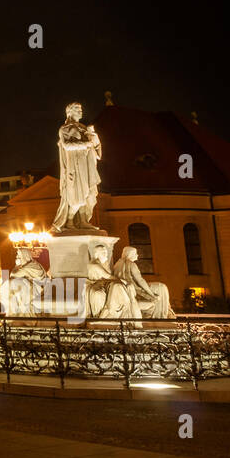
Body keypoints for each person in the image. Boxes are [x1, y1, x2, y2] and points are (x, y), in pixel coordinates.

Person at [53, 102, 102, 232]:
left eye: (81, 109)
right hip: (75, 165)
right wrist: (87, 143)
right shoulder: (65, 128)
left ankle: (83, 221)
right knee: (77, 193)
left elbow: (95, 147)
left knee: (88, 193)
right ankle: (69, 221)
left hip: (87, 164)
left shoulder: (83, 128)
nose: (80, 112)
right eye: (77, 109)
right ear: (69, 112)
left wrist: (94, 138)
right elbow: (67, 146)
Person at [114, 247, 175, 318]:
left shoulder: (117, 264)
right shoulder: (131, 264)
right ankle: (163, 314)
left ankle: (166, 312)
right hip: (135, 290)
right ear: (130, 254)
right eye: (135, 253)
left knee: (160, 287)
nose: (137, 255)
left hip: (128, 288)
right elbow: (140, 281)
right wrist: (151, 294)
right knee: (162, 287)